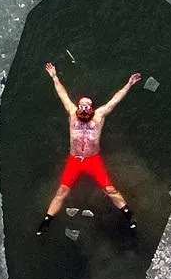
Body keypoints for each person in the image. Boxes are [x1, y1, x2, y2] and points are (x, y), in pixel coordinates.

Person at [37, 63, 141, 235]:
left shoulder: (99, 116)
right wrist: (54, 76)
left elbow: (114, 100)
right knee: (62, 191)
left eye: (87, 106)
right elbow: (62, 94)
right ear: (78, 107)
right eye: (82, 106)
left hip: (93, 160)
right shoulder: (72, 114)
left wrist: (128, 84)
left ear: (91, 108)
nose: (84, 109)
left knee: (109, 189)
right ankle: (46, 222)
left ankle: (129, 215)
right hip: (75, 159)